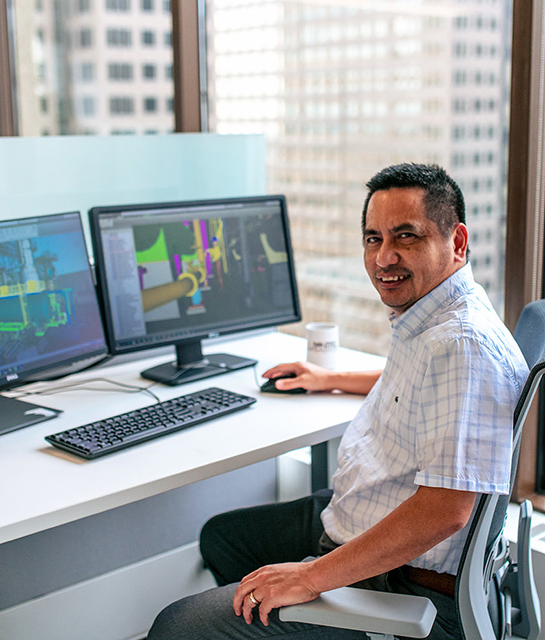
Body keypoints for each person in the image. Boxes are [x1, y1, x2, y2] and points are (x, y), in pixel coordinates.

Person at [146, 163, 529, 640]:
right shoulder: (438, 315)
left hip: (405, 586)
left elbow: (444, 511)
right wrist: (329, 377)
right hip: (359, 518)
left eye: (405, 237)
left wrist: (308, 578)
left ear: (456, 242)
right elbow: (415, 386)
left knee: (176, 627)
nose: (384, 257)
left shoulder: (461, 345)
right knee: (225, 539)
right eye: (373, 239)